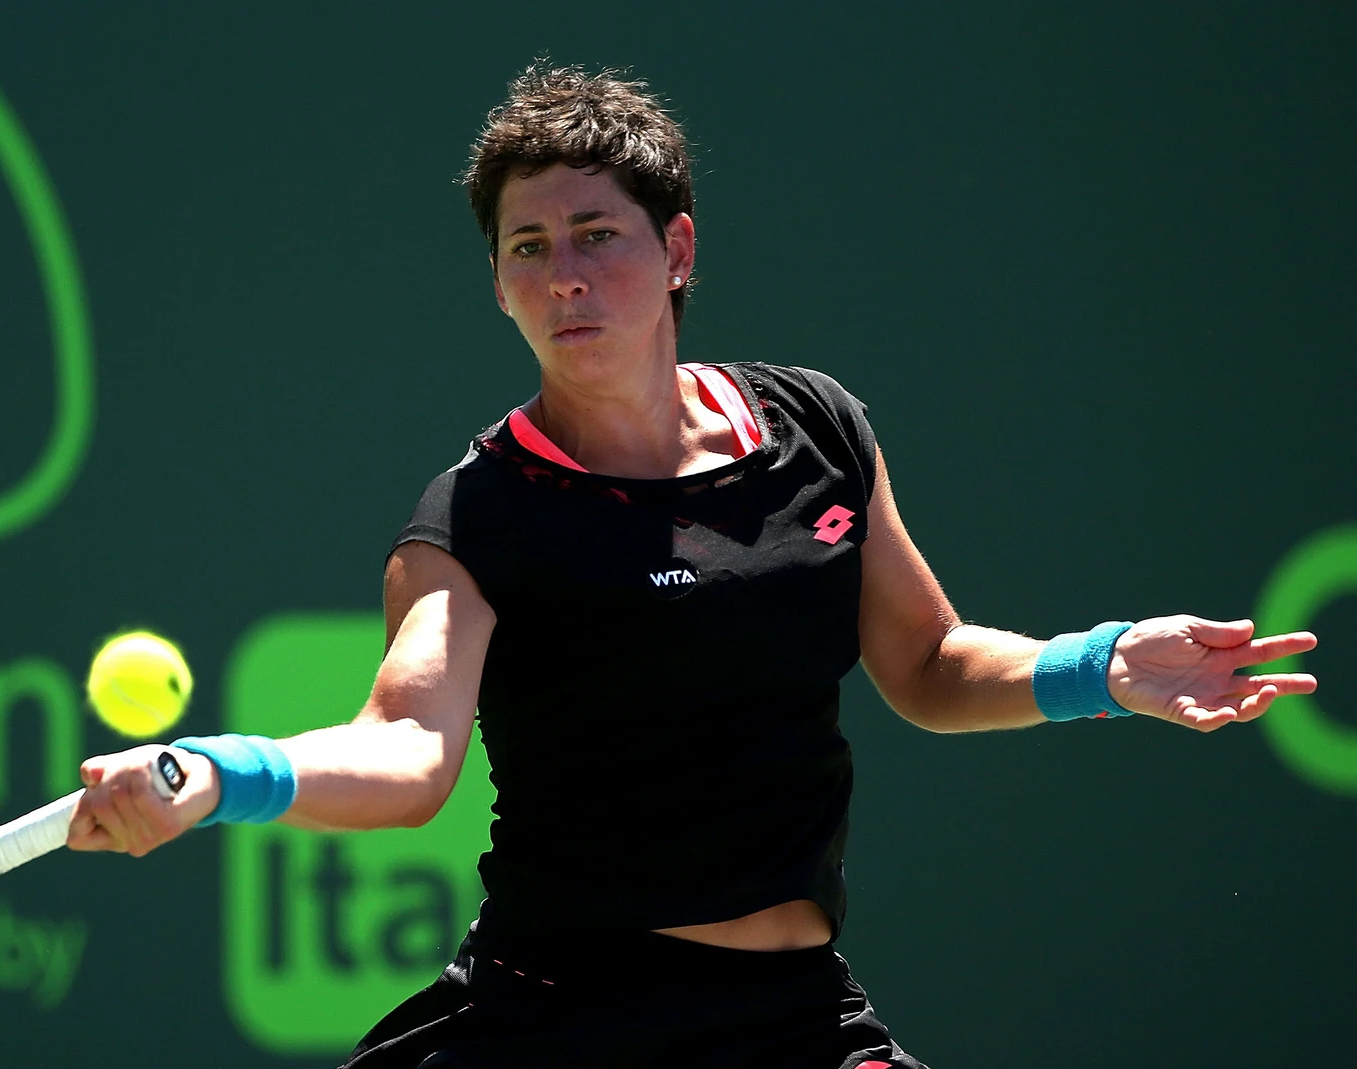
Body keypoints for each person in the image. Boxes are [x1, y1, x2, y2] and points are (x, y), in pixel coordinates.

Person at [65, 63, 1319, 1068]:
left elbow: (928, 663)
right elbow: (406, 748)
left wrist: (1099, 666)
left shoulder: (818, 427)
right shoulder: (477, 514)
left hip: (791, 1016)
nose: (564, 276)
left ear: (677, 252)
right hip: (555, 1014)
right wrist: (217, 775)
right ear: (496, 285)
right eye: (526, 247)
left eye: (597, 235)